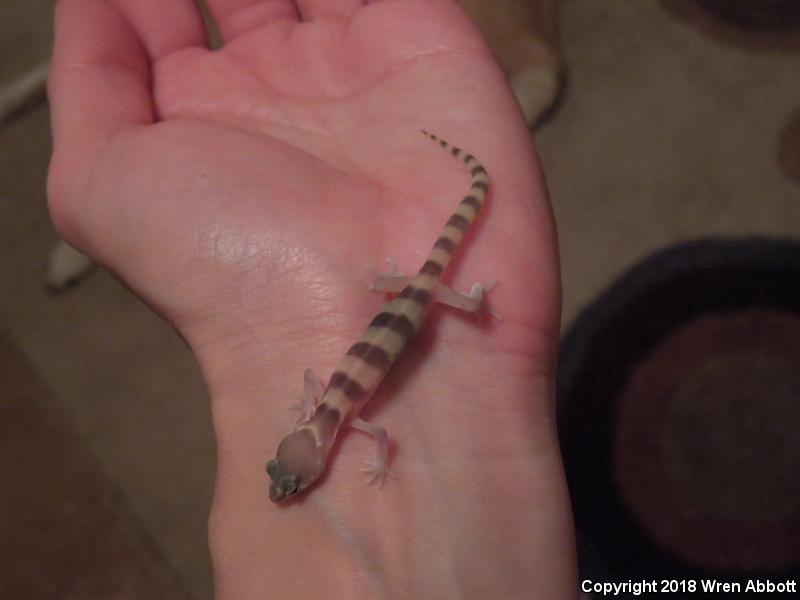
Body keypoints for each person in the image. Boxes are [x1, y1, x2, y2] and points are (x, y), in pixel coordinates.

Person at [48, 0, 576, 597]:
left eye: (286, 481)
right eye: (290, 480)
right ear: (309, 448)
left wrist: (379, 460)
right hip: (409, 293)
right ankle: (470, 227)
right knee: (430, 271)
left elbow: (380, 435)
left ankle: (473, 274)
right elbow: (333, 400)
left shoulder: (347, 419)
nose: (283, 488)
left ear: (319, 452)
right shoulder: (331, 409)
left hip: (420, 296)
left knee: (440, 275)